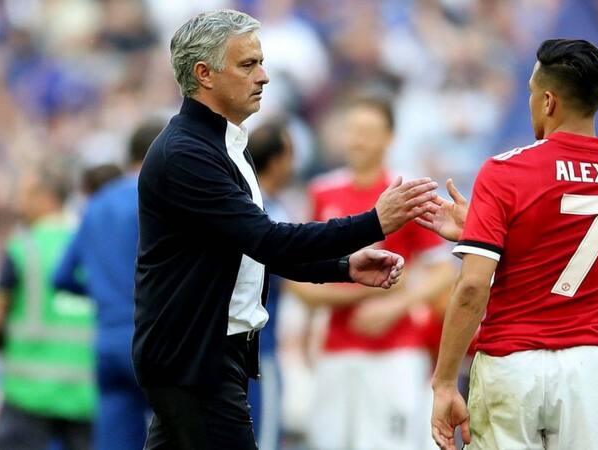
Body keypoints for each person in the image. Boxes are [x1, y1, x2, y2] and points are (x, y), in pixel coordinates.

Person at [132, 10, 438, 450]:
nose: (264, 76)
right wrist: (374, 222)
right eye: (248, 64)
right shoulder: (187, 154)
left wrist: (342, 267)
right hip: (195, 360)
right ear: (204, 74)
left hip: (202, 355)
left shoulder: (226, 146)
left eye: (260, 62)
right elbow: (269, 240)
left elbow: (258, 250)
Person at [419, 39, 598, 450]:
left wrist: (444, 382)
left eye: (531, 92)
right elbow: (571, 242)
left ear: (548, 101)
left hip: (512, 366)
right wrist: (482, 229)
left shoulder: (505, 171)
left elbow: (473, 286)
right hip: (589, 371)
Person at [291, 96, 454, 450]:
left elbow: (444, 273)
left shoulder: (406, 193)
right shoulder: (322, 191)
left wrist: (395, 305)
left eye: (367, 132)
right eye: (352, 131)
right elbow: (297, 279)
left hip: (396, 351)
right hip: (335, 350)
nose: (357, 140)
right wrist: (372, 290)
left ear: (389, 138)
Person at [53, 119, 165, 450]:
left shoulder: (96, 204)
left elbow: (61, 276)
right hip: (152, 340)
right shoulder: (158, 198)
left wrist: (103, 294)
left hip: (107, 344)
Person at [0, 165, 96, 450]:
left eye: (27, 195)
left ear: (46, 197)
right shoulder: (88, 243)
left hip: (29, 391)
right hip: (85, 392)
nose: (21, 204)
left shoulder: (24, 247)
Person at [245, 120, 295, 450]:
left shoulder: (236, 201)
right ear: (277, 161)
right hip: (260, 351)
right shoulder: (271, 213)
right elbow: (298, 282)